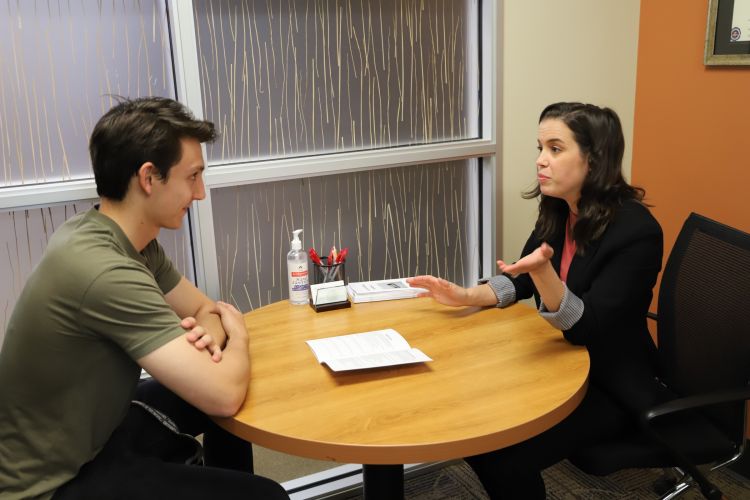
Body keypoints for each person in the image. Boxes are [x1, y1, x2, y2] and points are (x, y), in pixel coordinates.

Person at [0, 97, 288, 500]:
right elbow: (223, 392)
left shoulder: (127, 240)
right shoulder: (102, 269)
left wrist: (209, 335)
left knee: (220, 393)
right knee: (266, 495)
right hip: (50, 484)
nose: (200, 194)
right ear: (149, 178)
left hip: (94, 431)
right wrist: (237, 335)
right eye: (192, 177)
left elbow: (205, 309)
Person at [407, 102, 664, 499]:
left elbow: (585, 328)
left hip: (611, 384)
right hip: (562, 365)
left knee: (502, 457)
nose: (541, 161)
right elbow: (520, 280)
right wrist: (465, 295)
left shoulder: (636, 232)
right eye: (539, 148)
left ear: (593, 161)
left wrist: (543, 273)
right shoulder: (562, 208)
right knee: (476, 427)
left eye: (555, 149)